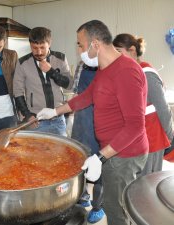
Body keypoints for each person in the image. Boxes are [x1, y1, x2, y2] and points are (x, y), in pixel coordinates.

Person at [37, 20, 148, 225]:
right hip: (112, 150)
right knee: (111, 203)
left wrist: (100, 156)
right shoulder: (104, 69)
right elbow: (86, 97)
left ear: (95, 44)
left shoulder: (126, 71)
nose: (78, 49)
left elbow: (135, 126)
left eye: (80, 44)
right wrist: (54, 111)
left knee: (116, 210)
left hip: (125, 155)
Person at [113, 33, 174, 175]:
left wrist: (171, 137)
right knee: (137, 186)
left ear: (132, 50)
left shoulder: (147, 73)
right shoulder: (129, 72)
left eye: (119, 52)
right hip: (136, 140)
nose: (115, 57)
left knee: (147, 186)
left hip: (152, 140)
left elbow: (163, 109)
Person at [13, 27, 74, 136]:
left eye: (42, 47)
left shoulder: (60, 58)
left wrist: (51, 71)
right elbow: (17, 92)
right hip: (36, 121)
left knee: (61, 152)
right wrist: (27, 115)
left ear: (49, 44)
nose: (39, 52)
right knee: (36, 152)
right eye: (34, 48)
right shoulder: (22, 63)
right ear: (30, 45)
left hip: (58, 120)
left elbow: (69, 85)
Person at [72, 61, 105, 223]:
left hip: (99, 121)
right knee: (77, 160)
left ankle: (98, 206)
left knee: (98, 165)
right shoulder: (81, 64)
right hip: (80, 118)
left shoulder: (107, 66)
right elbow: (75, 90)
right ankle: (82, 194)